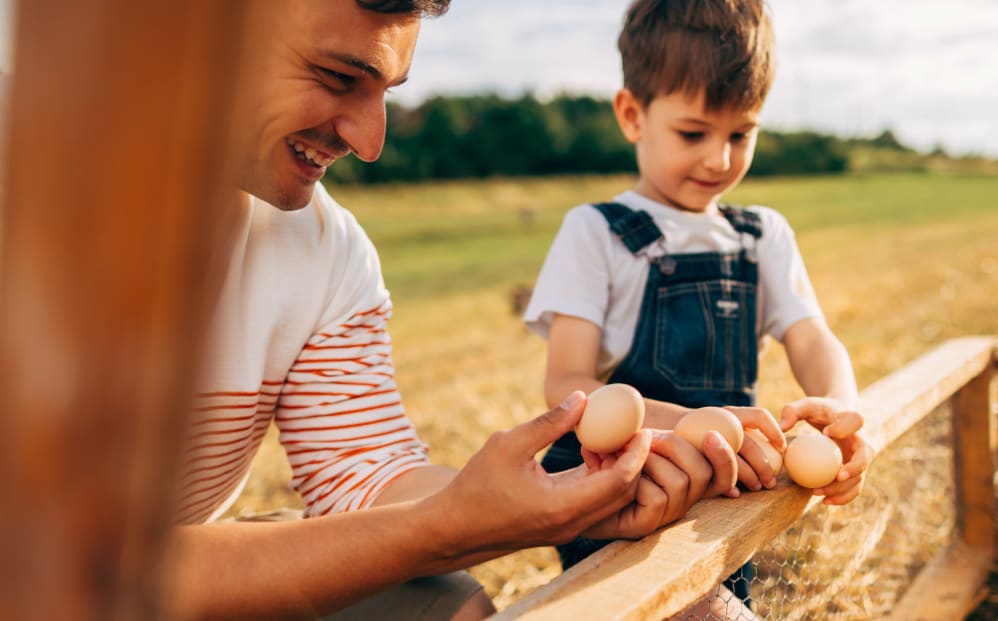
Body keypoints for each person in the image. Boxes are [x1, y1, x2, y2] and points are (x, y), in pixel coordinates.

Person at [167, 1, 740, 619]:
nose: (369, 141)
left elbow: (365, 479)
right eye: (337, 78)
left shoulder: (325, 249)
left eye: (385, 92)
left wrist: (573, 500)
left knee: (445, 606)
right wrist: (445, 527)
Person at [523, 0, 876, 614]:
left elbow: (812, 336)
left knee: (720, 594)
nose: (719, 159)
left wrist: (841, 413)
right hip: (620, 487)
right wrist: (696, 423)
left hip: (723, 486)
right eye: (694, 134)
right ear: (633, 115)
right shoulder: (597, 232)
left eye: (741, 134)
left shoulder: (762, 236)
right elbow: (567, 384)